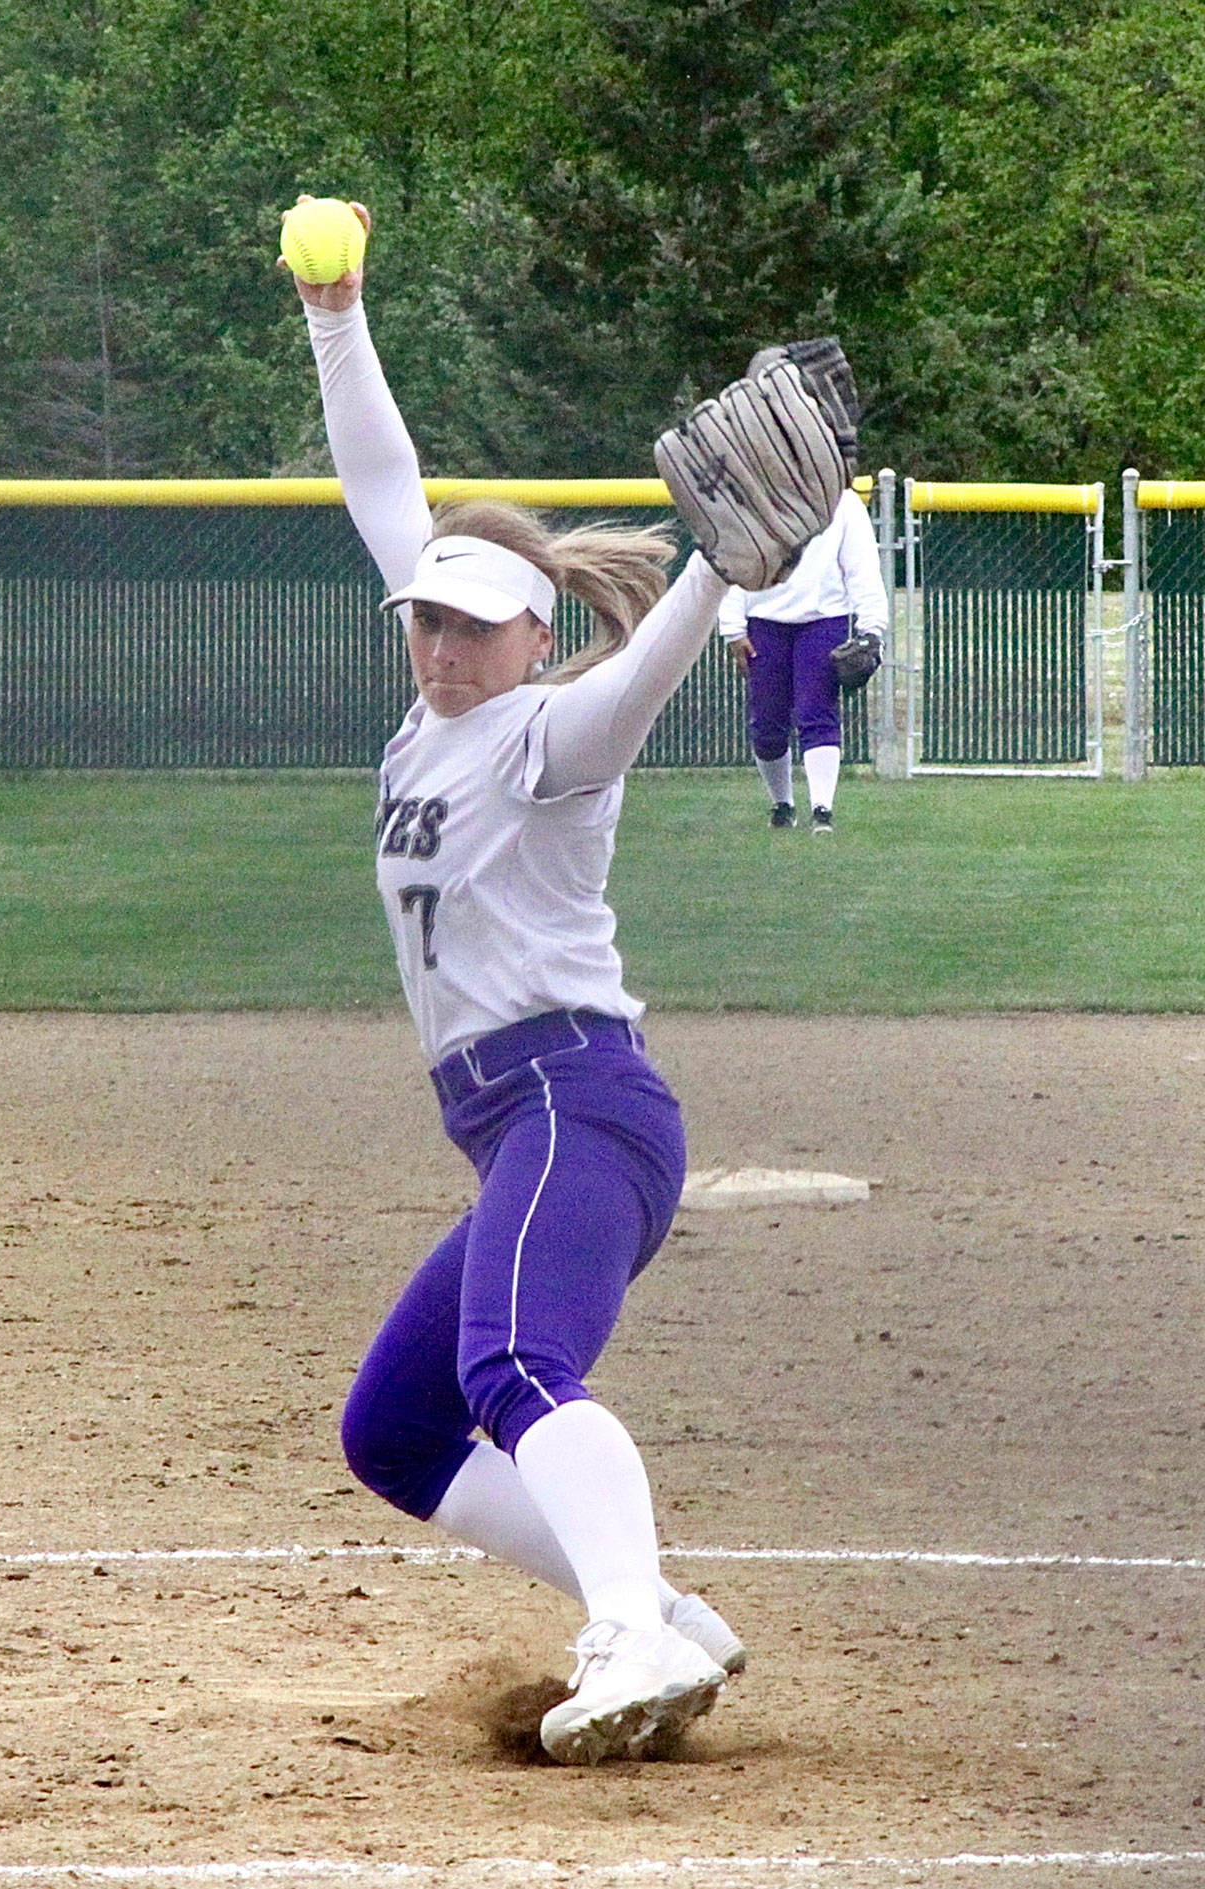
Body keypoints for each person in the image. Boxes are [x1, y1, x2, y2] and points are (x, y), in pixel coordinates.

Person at [284, 198, 846, 1765]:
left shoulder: (550, 737)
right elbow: (387, 491)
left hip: (574, 1102)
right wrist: (339, 316)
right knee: (397, 1427)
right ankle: (659, 1598)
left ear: (535, 635)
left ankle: (620, 1630)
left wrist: (720, 578)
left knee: (519, 1367)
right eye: (427, 620)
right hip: (513, 1127)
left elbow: (637, 691)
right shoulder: (435, 714)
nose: (442, 643)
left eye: (472, 624)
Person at [719, 479, 887, 835]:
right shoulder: (755, 493)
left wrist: (873, 630)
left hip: (823, 620)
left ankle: (821, 809)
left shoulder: (843, 503)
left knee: (816, 712)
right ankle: (783, 803)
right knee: (766, 724)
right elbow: (736, 561)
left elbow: (863, 570)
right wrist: (733, 627)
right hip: (763, 620)